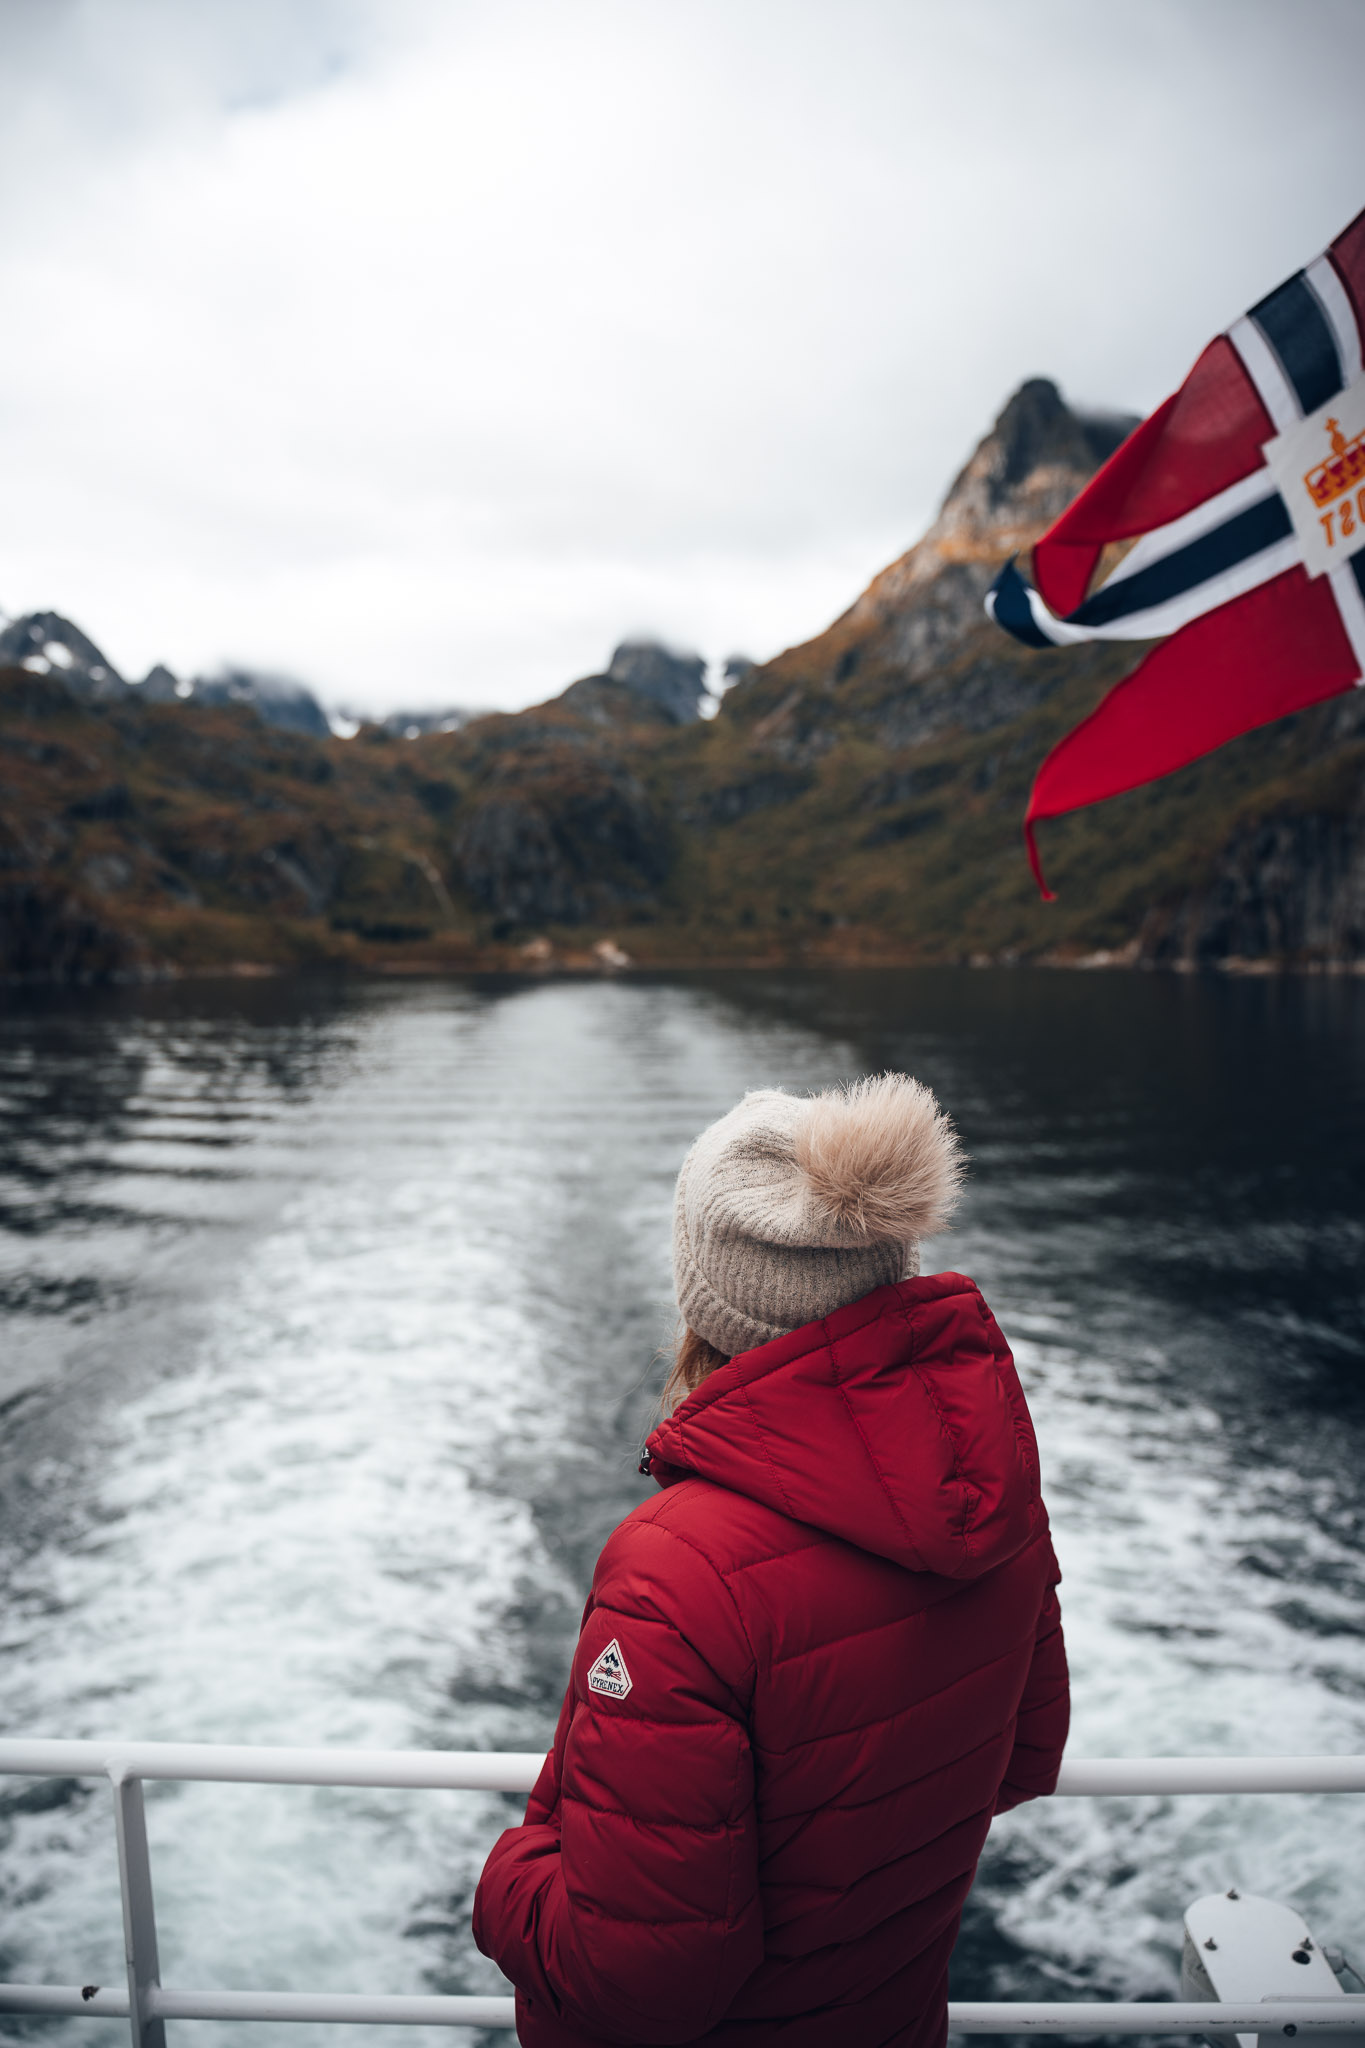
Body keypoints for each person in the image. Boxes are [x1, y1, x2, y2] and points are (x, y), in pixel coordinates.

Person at [473, 1073, 1069, 2048]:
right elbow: (1025, 1752)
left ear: (713, 1296)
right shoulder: (989, 1486)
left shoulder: (677, 1571)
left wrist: (505, 1881)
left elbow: (637, 1984)